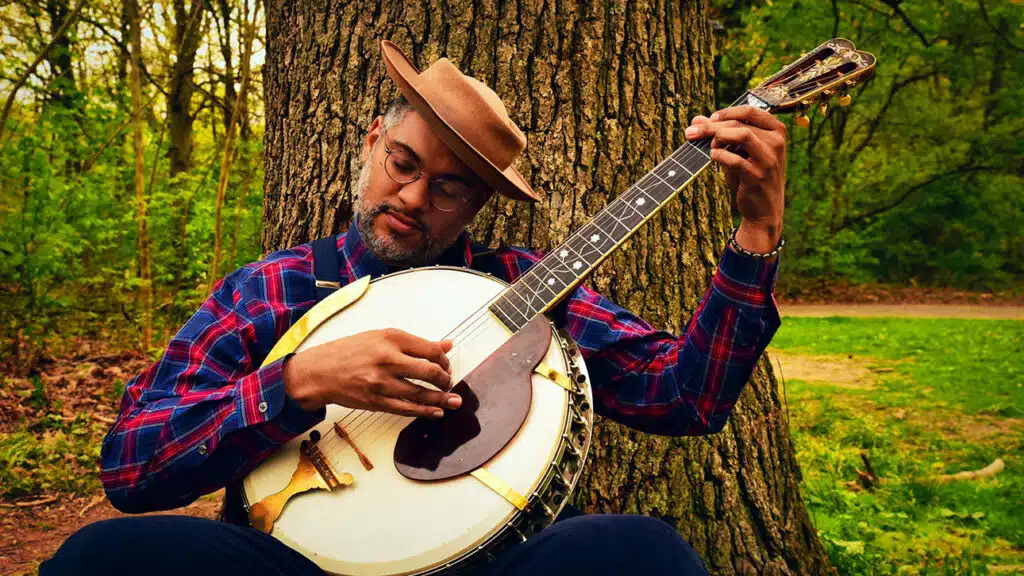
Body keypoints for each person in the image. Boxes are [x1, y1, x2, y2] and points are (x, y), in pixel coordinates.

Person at [43, 40, 787, 575]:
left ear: (478, 204)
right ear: (373, 143)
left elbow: (687, 396)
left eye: (451, 187)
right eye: (404, 163)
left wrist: (755, 232)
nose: (413, 197)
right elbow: (130, 465)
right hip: (288, 565)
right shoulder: (267, 288)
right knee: (100, 558)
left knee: (642, 554)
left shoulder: (522, 290)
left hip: (479, 564)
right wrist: (296, 382)